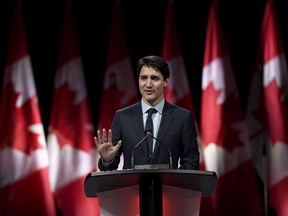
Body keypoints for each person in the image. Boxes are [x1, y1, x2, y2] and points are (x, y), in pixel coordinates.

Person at [94, 55, 199, 170]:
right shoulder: (122, 117)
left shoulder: (182, 118)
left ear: (165, 82)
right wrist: (107, 159)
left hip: (168, 187)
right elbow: (110, 166)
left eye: (154, 78)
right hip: (133, 187)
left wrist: (172, 184)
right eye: (143, 78)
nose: (148, 84)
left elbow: (191, 161)